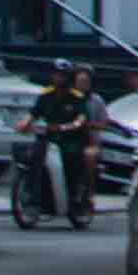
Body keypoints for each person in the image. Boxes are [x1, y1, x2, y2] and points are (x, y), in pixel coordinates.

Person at [22, 63, 97, 226]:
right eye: (56, 74)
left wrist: (68, 126)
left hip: (71, 138)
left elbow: (81, 119)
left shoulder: (77, 97)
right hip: (49, 137)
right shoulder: (46, 95)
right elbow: (33, 113)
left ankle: (76, 198)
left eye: (62, 75)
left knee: (71, 160)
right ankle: (32, 200)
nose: (58, 78)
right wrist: (25, 124)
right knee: (34, 158)